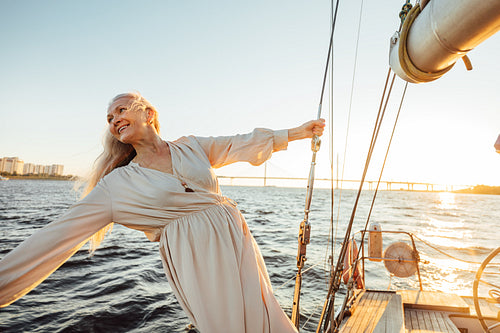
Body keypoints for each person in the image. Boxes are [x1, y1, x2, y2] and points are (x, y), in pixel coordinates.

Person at [0, 92, 325, 332]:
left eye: (121, 110)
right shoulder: (118, 185)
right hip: (199, 259)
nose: (114, 121)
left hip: (237, 242)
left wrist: (299, 132)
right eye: (110, 119)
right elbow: (56, 234)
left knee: (268, 320)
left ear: (149, 113)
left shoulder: (191, 146)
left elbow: (240, 143)